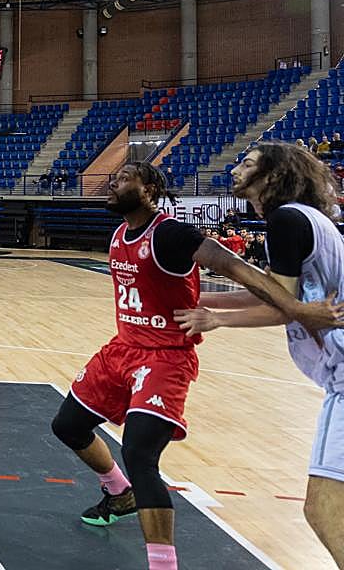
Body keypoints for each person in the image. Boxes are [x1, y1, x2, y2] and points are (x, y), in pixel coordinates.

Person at [50, 161, 342, 570]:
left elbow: (236, 267)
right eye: (111, 179)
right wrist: (210, 303)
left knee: (139, 453)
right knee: (67, 425)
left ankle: (163, 565)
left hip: (164, 357)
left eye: (123, 179)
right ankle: (120, 493)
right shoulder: (118, 234)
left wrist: (295, 308)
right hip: (123, 349)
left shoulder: (171, 234)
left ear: (149, 189)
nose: (111, 185)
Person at [175, 143, 344, 564]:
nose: (235, 168)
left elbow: (281, 306)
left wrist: (218, 321)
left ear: (273, 175)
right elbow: (281, 296)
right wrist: (210, 305)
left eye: (247, 163)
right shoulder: (306, 220)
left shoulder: (287, 220)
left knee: (322, 508)